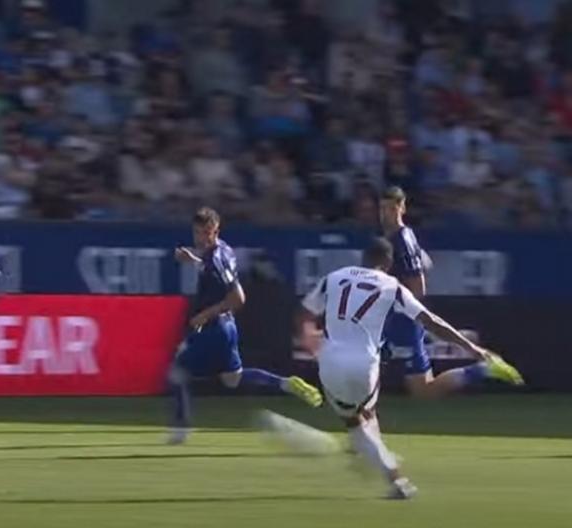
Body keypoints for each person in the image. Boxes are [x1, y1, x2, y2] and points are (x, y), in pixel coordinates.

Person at [296, 238, 523, 499]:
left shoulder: (334, 277)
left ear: (363, 259)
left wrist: (309, 339)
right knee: (365, 415)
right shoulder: (392, 285)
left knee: (356, 422)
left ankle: (393, 476)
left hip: (332, 360)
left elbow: (303, 316)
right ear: (388, 262)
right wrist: (473, 349)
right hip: (365, 363)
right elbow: (430, 321)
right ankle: (384, 464)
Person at [167, 207, 322, 445]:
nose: (201, 238)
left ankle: (180, 429)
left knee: (177, 372)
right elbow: (215, 272)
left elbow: (238, 298)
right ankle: (286, 383)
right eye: (197, 233)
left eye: (206, 233)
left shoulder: (215, 259)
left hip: (213, 328)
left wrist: (204, 315)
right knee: (233, 379)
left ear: (216, 231)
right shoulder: (223, 250)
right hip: (226, 327)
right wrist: (194, 260)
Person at [380, 186, 520, 397]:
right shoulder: (395, 237)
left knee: (422, 389)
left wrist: (403, 310)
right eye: (382, 209)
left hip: (400, 319)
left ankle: (482, 369)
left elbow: (418, 285)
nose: (386, 214)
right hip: (390, 317)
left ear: (402, 208)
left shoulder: (402, 239)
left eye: (391, 209)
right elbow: (425, 262)